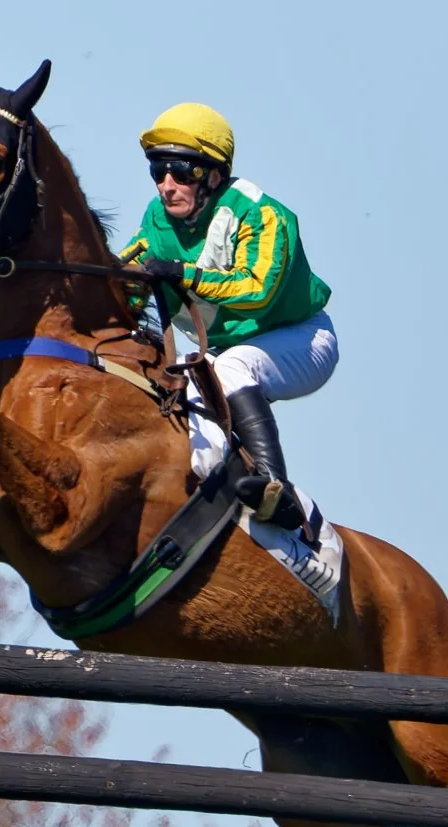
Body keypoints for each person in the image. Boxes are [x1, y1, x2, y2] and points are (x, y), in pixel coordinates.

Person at [121, 102, 337, 532]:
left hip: (301, 339)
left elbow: (258, 291)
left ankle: (279, 491)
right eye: (158, 172)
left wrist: (183, 273)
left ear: (214, 174)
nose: (167, 185)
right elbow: (124, 275)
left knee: (231, 367)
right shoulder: (156, 218)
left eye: (182, 172)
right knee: (181, 402)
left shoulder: (263, 213)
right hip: (224, 354)